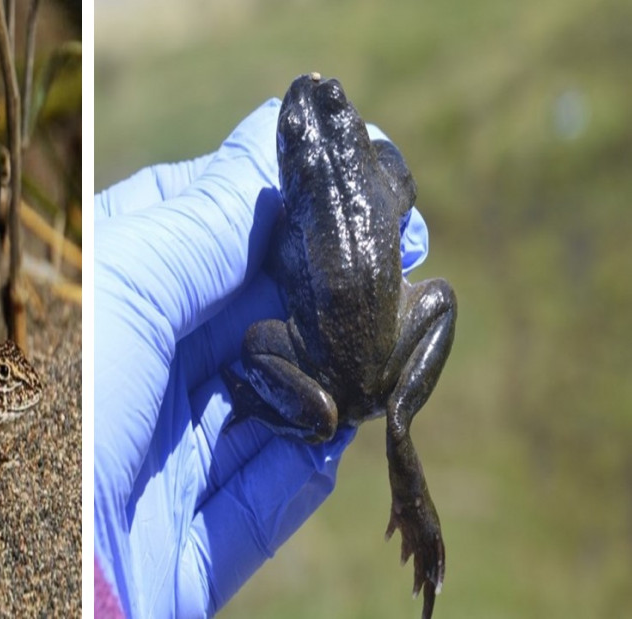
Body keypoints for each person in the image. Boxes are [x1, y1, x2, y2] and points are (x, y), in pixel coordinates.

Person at [93, 98, 430, 617]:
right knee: (440, 297)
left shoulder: (291, 216)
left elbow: (275, 262)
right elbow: (402, 184)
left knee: (253, 344)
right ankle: (398, 416)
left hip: (324, 386)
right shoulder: (379, 178)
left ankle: (299, 411)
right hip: (385, 366)